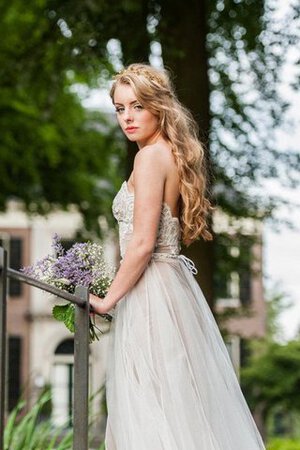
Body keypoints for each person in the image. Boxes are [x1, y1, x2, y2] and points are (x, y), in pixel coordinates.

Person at [89, 63, 266, 450]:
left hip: (151, 291)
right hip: (168, 288)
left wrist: (105, 301)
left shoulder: (149, 157)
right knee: (176, 402)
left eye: (137, 106)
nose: (127, 117)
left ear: (158, 107)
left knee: (152, 404)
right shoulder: (169, 153)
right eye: (120, 109)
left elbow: (141, 244)